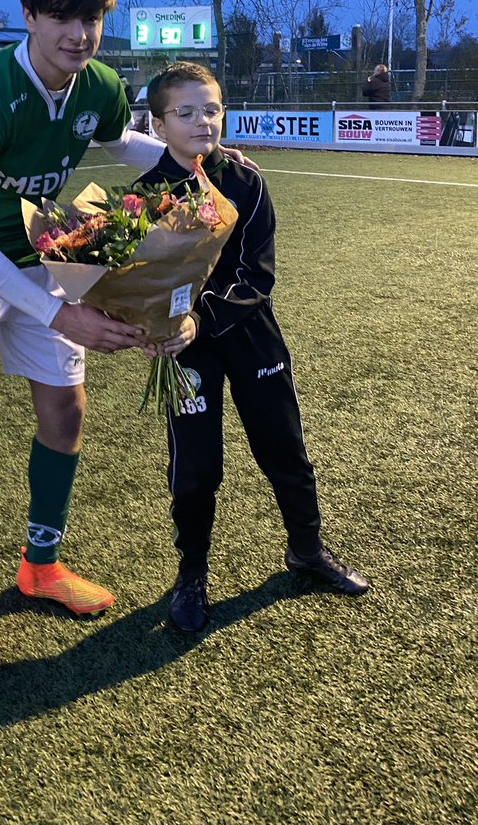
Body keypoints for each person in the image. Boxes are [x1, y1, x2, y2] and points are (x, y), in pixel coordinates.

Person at [0, 0, 177, 692]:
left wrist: (194, 154)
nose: (79, 33)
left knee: (64, 412)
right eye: (61, 17)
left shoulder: (95, 83)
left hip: (39, 257)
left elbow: (116, 139)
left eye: (91, 17)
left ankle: (40, 567)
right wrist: (62, 315)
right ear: (28, 16)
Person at [137, 62, 369, 634]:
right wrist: (152, 325)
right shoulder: (142, 198)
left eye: (211, 109)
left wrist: (199, 318)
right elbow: (138, 281)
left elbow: (256, 275)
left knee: (284, 447)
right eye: (185, 112)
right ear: (159, 123)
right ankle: (191, 575)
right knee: (195, 468)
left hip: (249, 334)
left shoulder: (245, 179)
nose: (202, 121)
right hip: (185, 350)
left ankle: (307, 550)